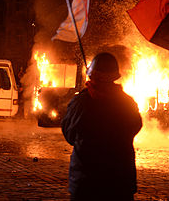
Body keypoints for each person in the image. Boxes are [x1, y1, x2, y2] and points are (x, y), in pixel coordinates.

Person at [61, 52, 142, 200]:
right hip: (119, 183)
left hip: (86, 183)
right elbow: (135, 127)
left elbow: (69, 135)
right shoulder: (127, 103)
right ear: (114, 77)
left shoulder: (81, 103)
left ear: (92, 76)